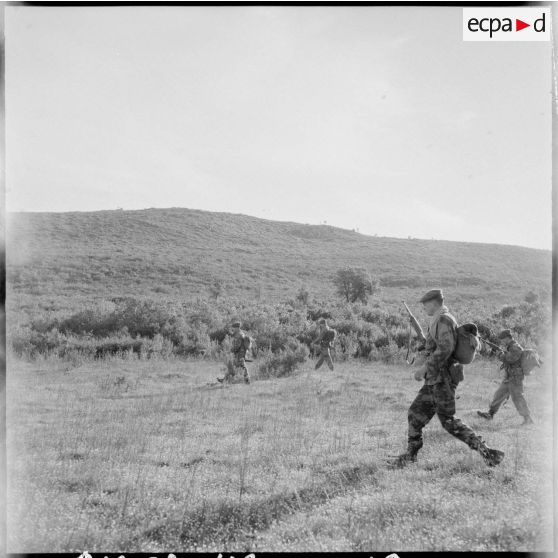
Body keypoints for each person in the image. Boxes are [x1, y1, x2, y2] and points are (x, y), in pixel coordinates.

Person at [390, 289, 504, 468]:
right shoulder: (438, 319)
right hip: (435, 379)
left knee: (449, 421)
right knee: (414, 414)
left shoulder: (444, 319)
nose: (424, 307)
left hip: (443, 378)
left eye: (425, 304)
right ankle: (411, 455)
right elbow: (436, 345)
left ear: (434, 303)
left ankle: (488, 453)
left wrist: (424, 368)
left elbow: (445, 348)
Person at [477, 329, 533, 425]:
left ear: (507, 338)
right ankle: (490, 414)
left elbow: (509, 359)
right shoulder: (510, 347)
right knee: (499, 395)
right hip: (509, 377)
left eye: (502, 339)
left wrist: (499, 354)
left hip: (515, 378)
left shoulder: (515, 347)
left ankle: (527, 418)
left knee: (517, 398)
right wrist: (499, 352)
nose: (501, 341)